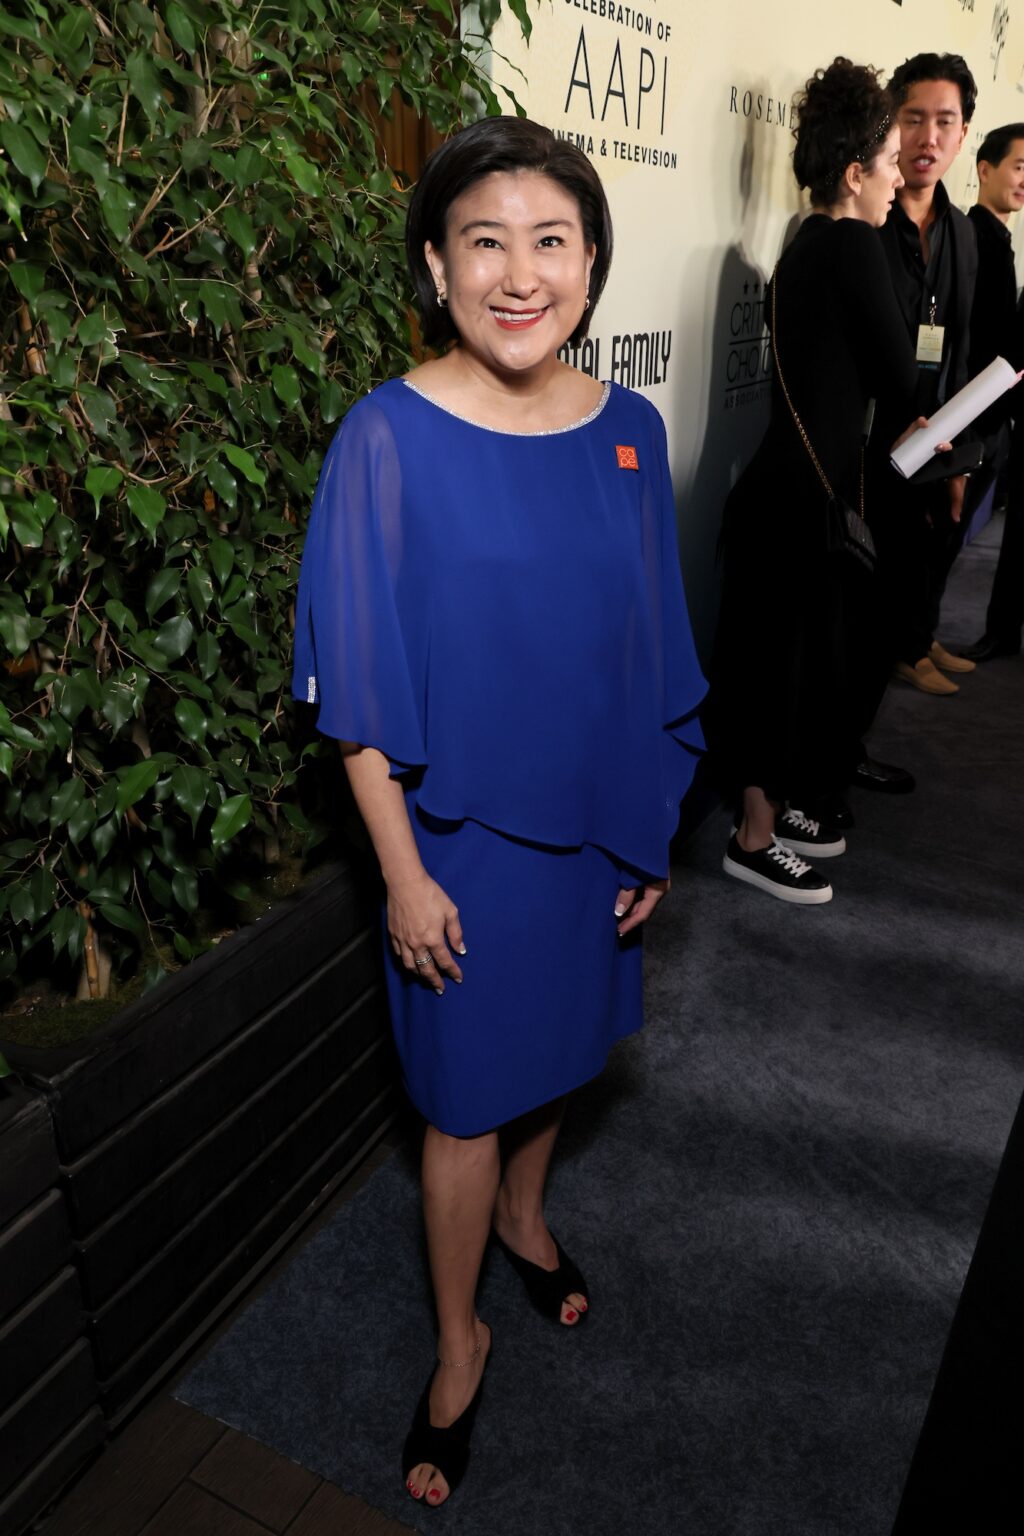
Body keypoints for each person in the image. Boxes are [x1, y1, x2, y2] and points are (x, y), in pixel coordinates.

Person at [291, 117, 705, 1505]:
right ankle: (458, 1341)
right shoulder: (386, 438)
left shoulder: (630, 431)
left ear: (590, 262)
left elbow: (650, 650)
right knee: (463, 1105)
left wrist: (651, 823)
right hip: (456, 853)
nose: (519, 274)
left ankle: (532, 1219)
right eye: (485, 242)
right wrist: (404, 878)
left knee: (567, 1048)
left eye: (551, 241)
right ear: (435, 265)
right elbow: (356, 691)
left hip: (594, 831)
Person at [709, 58, 928, 905]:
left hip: (786, 491)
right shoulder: (852, 244)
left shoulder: (804, 242)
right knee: (780, 673)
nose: (898, 181)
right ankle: (752, 840)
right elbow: (900, 378)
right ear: (854, 172)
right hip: (802, 501)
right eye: (889, 164)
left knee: (782, 666)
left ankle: (773, 812)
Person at [871, 52, 979, 699]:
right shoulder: (869, 220)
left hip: (937, 421)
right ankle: (897, 649)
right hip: (876, 432)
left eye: (945, 122)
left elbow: (959, 341)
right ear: (892, 124)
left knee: (930, 537)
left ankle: (916, 640)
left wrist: (956, 445)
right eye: (914, 119)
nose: (928, 138)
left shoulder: (961, 230)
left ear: (963, 134)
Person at [959, 126, 1024, 663]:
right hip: (974, 418)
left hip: (996, 417)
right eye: (1019, 167)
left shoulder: (1002, 245)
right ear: (985, 169)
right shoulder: (971, 240)